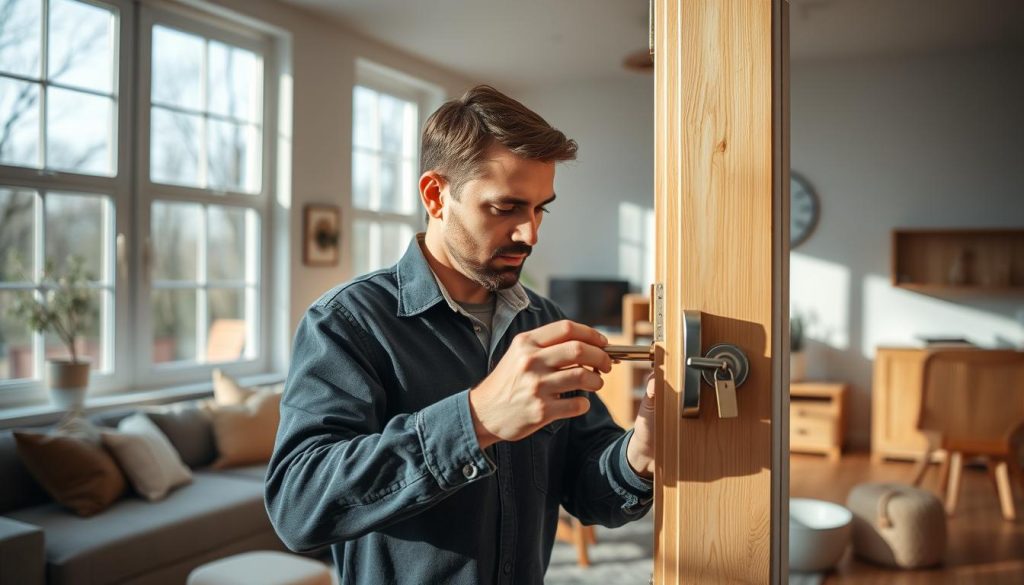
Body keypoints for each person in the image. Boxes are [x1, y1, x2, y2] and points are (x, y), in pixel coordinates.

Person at [265, 85, 656, 585]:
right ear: (435, 195)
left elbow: (590, 491)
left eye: (541, 209)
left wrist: (641, 449)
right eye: (506, 208)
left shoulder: (544, 321)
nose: (530, 234)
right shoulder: (347, 323)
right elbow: (299, 508)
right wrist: (476, 420)